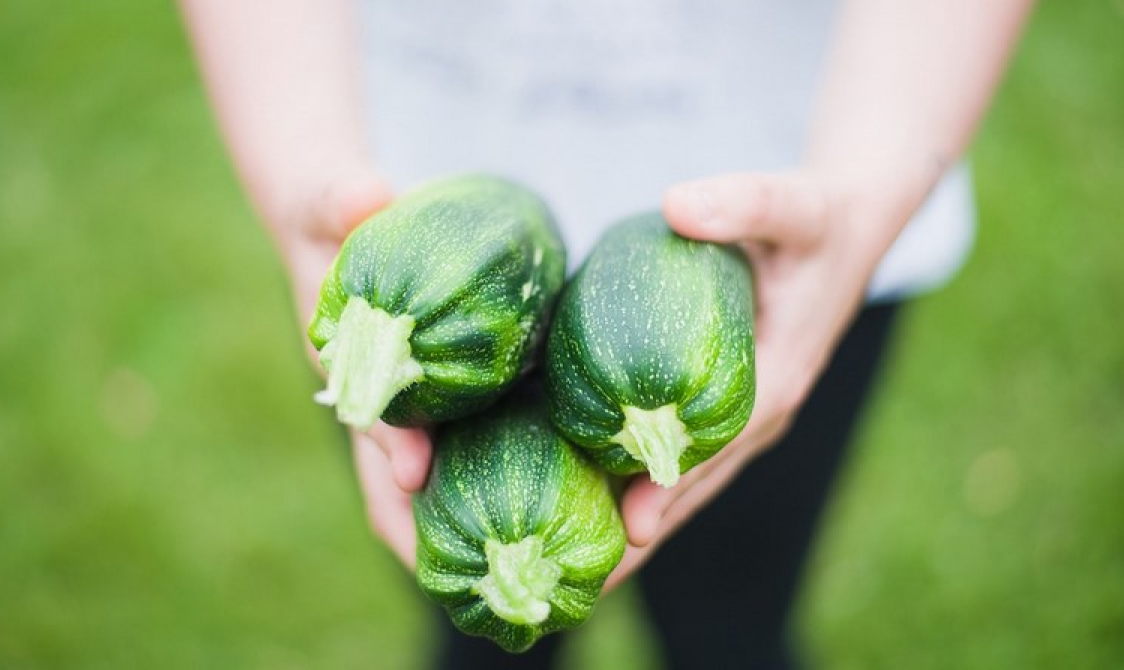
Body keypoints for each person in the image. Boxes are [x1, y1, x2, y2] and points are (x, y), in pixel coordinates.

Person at [180, 1, 1032, 667]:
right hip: (409, 206)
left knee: (731, 626)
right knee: (481, 636)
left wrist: (869, 191)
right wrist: (301, 168)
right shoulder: (381, 302)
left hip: (801, 227)